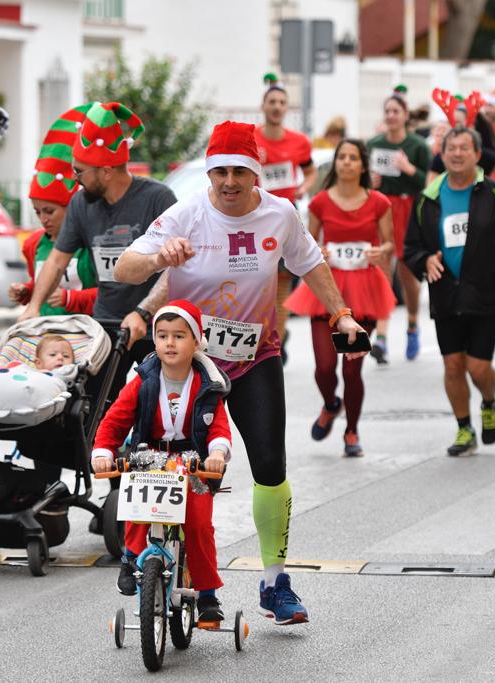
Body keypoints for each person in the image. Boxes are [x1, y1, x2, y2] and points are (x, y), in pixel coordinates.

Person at [115, 120, 368, 626]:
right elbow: (125, 266)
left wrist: (340, 313)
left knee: (270, 464)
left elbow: (311, 264)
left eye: (240, 171)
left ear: (256, 173)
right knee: (156, 455)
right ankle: (140, 548)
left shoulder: (280, 215)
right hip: (186, 364)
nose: (229, 182)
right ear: (209, 173)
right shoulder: (187, 214)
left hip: (254, 357)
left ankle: (276, 584)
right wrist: (155, 259)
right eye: (219, 172)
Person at [18, 101, 176, 405]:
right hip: (106, 322)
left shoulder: (158, 198)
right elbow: (57, 258)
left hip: (156, 323)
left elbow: (178, 265)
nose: (74, 177)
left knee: (157, 411)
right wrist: (34, 306)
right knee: (91, 409)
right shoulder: (80, 204)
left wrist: (146, 310)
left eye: (79, 171)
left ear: (105, 171)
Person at [403, 126, 495, 457]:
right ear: (443, 154)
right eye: (451, 148)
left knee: (478, 367)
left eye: (464, 148)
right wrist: (425, 261)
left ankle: (489, 402)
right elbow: (411, 247)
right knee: (452, 365)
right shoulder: (429, 199)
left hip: (485, 291)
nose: (457, 153)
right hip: (446, 293)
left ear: (478, 155)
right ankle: (464, 428)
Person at [92, 300, 230, 623]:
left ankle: (208, 593)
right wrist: (103, 452)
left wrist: (217, 453)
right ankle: (130, 559)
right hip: (149, 455)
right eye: (163, 335)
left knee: (197, 525)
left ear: (196, 342)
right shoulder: (143, 380)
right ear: (154, 340)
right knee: (137, 510)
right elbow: (114, 421)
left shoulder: (207, 384)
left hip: (192, 462)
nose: (170, 343)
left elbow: (219, 426)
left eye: (179, 336)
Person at [284, 139, 396, 457]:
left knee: (352, 368)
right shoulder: (320, 202)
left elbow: (390, 244)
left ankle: (352, 431)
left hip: (364, 290)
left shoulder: (378, 202)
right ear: (336, 164)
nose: (346, 163)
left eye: (353, 158)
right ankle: (332, 404)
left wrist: (380, 251)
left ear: (363, 165)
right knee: (323, 366)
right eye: (341, 157)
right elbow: (308, 244)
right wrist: (318, 251)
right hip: (327, 291)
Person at [9, 105, 98, 316]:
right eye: (37, 212)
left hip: (85, 332)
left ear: (71, 207)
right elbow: (42, 286)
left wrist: (71, 298)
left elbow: (111, 294)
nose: (43, 219)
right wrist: (27, 291)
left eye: (49, 211)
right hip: (46, 334)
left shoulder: (90, 243)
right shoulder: (33, 244)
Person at [255, 74, 317, 363]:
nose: (277, 107)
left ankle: (276, 341)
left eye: (282, 102)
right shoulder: (252, 138)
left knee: (280, 282)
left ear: (287, 108)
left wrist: (303, 188)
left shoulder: (299, 142)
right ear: (264, 106)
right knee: (256, 282)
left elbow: (311, 172)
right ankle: (269, 332)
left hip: (284, 216)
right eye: (272, 102)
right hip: (254, 216)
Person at [368, 87, 432, 362]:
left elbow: (429, 182)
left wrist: (409, 170)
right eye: (388, 112)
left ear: (406, 116)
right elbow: (362, 180)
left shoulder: (417, 146)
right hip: (382, 208)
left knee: (408, 276)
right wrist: (369, 183)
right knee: (382, 271)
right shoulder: (373, 144)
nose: (392, 116)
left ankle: (413, 324)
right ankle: (381, 336)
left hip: (408, 209)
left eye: (396, 111)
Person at [428, 93, 495, 192]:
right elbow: (429, 191)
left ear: (471, 125)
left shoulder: (485, 156)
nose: (453, 126)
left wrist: (494, 202)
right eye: (449, 122)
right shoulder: (442, 157)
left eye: (457, 122)